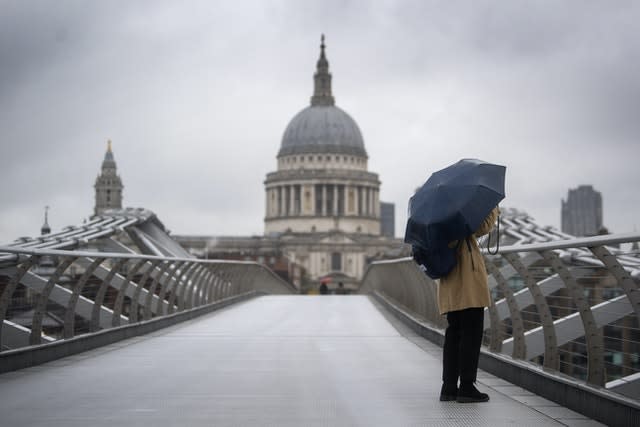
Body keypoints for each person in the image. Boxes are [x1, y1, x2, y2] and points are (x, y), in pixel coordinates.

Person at [438, 206, 499, 403]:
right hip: (467, 279)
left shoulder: (438, 215)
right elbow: (483, 227)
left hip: (449, 281)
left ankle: (448, 387)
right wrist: (494, 208)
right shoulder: (458, 212)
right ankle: (466, 386)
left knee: (454, 332)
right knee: (471, 334)